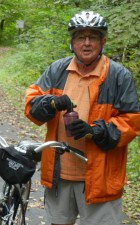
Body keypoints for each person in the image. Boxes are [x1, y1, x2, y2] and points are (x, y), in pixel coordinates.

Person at [24, 11, 140, 225]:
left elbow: (132, 121)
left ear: (102, 41)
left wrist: (96, 131)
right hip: (60, 174)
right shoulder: (57, 69)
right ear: (72, 42)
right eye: (80, 37)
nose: (86, 43)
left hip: (100, 178)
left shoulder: (118, 75)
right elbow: (31, 104)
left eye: (93, 37)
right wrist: (49, 102)